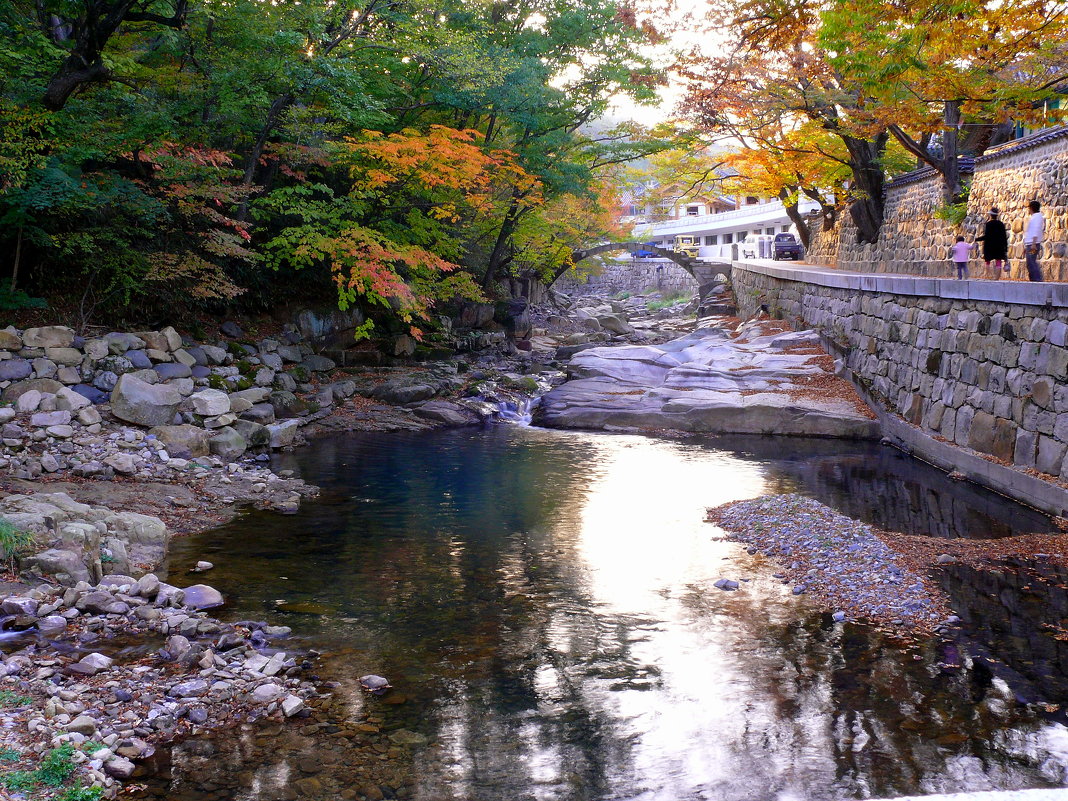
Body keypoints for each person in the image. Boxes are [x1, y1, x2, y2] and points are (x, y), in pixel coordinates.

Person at [975, 207, 1008, 279]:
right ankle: (996, 277)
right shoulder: (1001, 224)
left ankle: (989, 276)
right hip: (999, 245)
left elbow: (987, 236)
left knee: (987, 261)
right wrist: (1005, 248)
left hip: (989, 245)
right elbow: (1004, 237)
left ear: (990, 215)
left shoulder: (988, 224)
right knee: (998, 261)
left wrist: (977, 239)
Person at [1024, 200, 1046, 282]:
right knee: (1030, 262)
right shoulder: (1036, 217)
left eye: (1029, 208)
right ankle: (1034, 279)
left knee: (1031, 262)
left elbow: (1036, 230)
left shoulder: (1037, 217)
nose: (1028, 210)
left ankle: (1037, 279)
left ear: (1031, 208)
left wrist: (1033, 243)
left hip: (1033, 244)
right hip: (1030, 243)